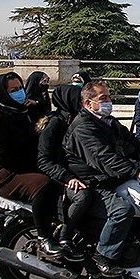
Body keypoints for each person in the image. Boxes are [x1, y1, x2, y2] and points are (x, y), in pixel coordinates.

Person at [64, 81, 140, 276]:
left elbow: (132, 142)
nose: (108, 102)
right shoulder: (84, 127)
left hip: (109, 179)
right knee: (122, 210)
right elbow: (105, 158)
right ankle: (104, 256)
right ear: (87, 104)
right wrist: (138, 172)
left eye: (109, 97)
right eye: (103, 98)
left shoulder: (108, 122)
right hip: (92, 183)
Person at [0, 73, 64, 259]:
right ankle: (44, 237)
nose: (19, 93)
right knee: (44, 184)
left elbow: (43, 123)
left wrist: (37, 106)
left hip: (22, 165)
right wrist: (35, 167)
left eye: (20, 88)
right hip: (2, 172)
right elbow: (0, 155)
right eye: (14, 90)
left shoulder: (20, 111)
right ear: (2, 93)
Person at [36, 85, 90, 259]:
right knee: (83, 197)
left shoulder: (80, 120)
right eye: (78, 99)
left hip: (82, 172)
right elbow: (44, 161)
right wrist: (67, 177)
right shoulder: (55, 124)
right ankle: (64, 237)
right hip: (62, 178)